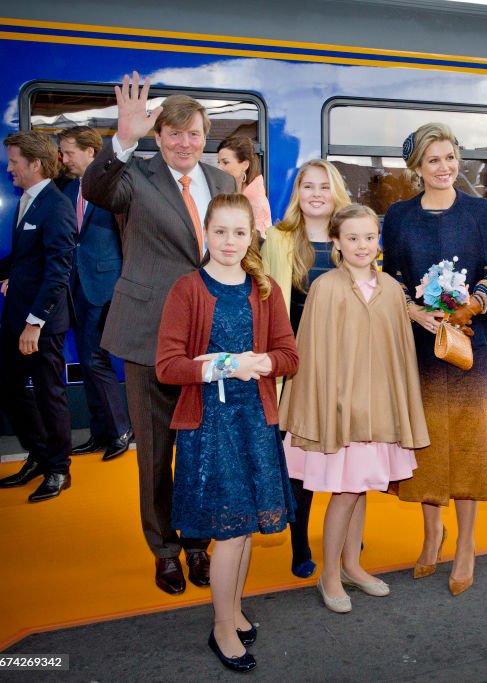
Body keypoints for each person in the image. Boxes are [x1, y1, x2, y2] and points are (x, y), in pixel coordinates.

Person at [83, 72, 237, 595]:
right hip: (148, 333)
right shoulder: (134, 177)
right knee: (155, 451)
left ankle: (197, 542)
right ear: (158, 136)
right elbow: (96, 187)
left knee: (200, 446)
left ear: (205, 135)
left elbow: (232, 251)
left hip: (210, 339)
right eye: (173, 133)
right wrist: (121, 139)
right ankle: (164, 550)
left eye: (194, 133)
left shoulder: (222, 182)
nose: (184, 143)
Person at [383, 122, 487, 596]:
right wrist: (416, 311)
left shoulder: (481, 213)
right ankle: (432, 537)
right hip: (421, 349)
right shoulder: (398, 217)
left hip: (473, 349)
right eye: (433, 160)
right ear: (417, 168)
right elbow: (393, 282)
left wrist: (467, 306)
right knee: (426, 451)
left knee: (468, 450)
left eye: (450, 158)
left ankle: (465, 545)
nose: (444, 168)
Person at [156, 193, 297, 672]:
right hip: (210, 426)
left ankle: (233, 609)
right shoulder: (187, 290)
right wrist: (222, 366)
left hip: (255, 421)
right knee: (231, 531)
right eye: (220, 232)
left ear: (252, 236)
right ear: (206, 235)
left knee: (250, 527)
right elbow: (168, 366)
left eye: (239, 232)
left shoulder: (266, 290)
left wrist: (264, 362)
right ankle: (220, 627)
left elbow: (289, 357)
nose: (230, 241)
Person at [280, 204, 428, 613]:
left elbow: (399, 356)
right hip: (341, 412)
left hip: (377, 413)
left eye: (368, 237)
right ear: (336, 244)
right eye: (352, 238)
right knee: (345, 493)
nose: (362, 245)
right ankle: (329, 575)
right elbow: (312, 357)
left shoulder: (391, 290)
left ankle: (352, 566)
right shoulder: (325, 288)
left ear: (377, 240)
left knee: (361, 490)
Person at [262, 159, 351, 578]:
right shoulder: (279, 239)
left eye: (323, 186)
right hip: (292, 369)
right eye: (307, 186)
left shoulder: (347, 239)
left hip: (340, 365)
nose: (315, 194)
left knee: (343, 456)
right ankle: (299, 545)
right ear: (297, 192)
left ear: (335, 192)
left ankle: (343, 533)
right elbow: (263, 303)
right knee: (297, 463)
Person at [0, 131, 75, 502]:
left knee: (48, 394)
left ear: (35, 164)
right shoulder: (27, 201)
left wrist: (34, 323)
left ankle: (58, 469)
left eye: (14, 162)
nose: (9, 169)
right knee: (8, 390)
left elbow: (58, 270)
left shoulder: (56, 207)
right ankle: (39, 455)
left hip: (40, 324)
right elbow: (21, 259)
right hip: (15, 317)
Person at [57, 126, 133, 461]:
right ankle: (100, 432)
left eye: (69, 151)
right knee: (86, 361)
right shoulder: (71, 188)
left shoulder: (113, 185)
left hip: (105, 285)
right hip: (78, 286)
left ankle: (120, 430)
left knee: (94, 358)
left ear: (91, 152)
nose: (64, 159)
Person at [217, 136, 272, 238]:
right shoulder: (226, 190)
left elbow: (259, 243)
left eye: (225, 162)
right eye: (218, 162)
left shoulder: (256, 201)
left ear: (245, 165)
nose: (219, 168)